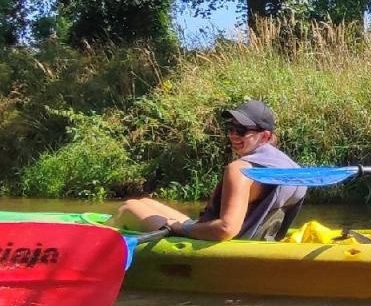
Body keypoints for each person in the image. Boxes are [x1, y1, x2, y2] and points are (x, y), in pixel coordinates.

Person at [116, 99, 307, 242]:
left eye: (241, 130)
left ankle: (98, 243)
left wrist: (181, 229)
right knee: (143, 202)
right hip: (255, 237)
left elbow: (226, 229)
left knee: (128, 208)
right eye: (231, 128)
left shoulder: (240, 169)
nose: (233, 135)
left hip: (224, 242)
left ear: (265, 136)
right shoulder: (292, 169)